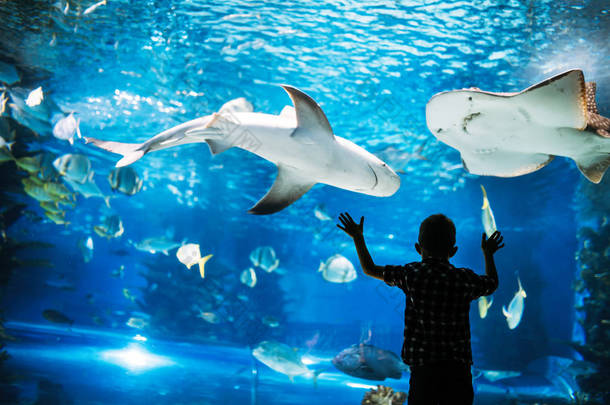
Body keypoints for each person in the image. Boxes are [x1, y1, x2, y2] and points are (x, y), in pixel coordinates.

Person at [337, 212, 503, 405]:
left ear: (418, 248)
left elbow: (370, 269)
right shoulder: (463, 278)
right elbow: (492, 283)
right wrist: (488, 254)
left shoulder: (412, 274)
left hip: (423, 370)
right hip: (458, 370)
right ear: (454, 250)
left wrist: (358, 238)